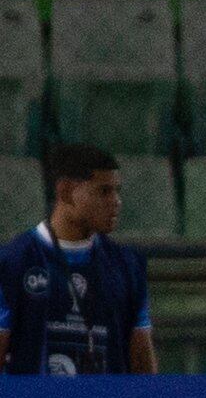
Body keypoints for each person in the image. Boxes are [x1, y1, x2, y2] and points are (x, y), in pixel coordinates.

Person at [0, 143, 153, 376]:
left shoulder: (128, 266)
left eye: (117, 191)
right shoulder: (13, 261)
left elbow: (141, 357)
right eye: (104, 191)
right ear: (66, 192)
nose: (116, 201)